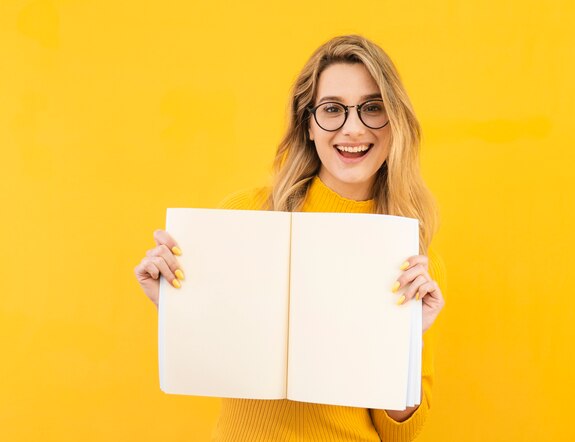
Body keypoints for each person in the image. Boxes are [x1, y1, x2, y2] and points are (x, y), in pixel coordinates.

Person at [134, 34, 446, 441]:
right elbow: (220, 359)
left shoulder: (411, 254)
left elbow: (400, 431)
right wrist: (175, 303)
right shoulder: (247, 215)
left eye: (372, 108)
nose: (353, 129)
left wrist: (407, 339)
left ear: (396, 121)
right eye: (332, 109)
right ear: (308, 124)